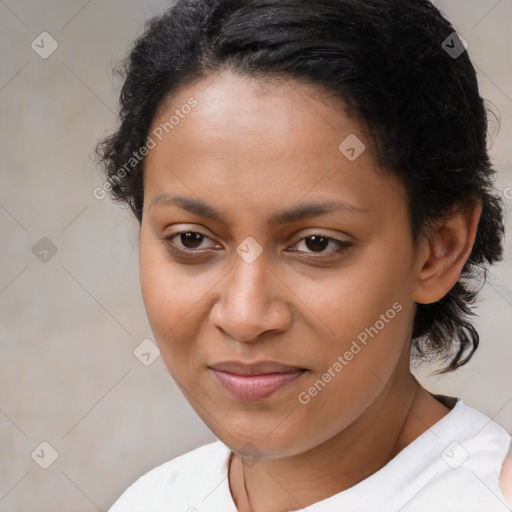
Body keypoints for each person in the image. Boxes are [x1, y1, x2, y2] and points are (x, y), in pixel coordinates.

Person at [96, 0, 512, 510]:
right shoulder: (152, 501)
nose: (245, 317)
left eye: (317, 243)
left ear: (438, 249)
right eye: (191, 239)